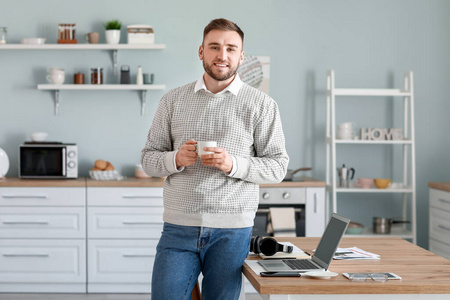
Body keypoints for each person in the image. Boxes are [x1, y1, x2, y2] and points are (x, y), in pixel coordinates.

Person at [141, 18, 289, 300]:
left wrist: (232, 164)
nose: (223, 55)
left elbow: (278, 166)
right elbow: (148, 159)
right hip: (178, 227)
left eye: (231, 49)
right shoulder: (172, 100)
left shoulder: (262, 105)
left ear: (241, 56)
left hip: (232, 231)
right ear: (201, 52)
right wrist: (176, 159)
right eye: (215, 47)